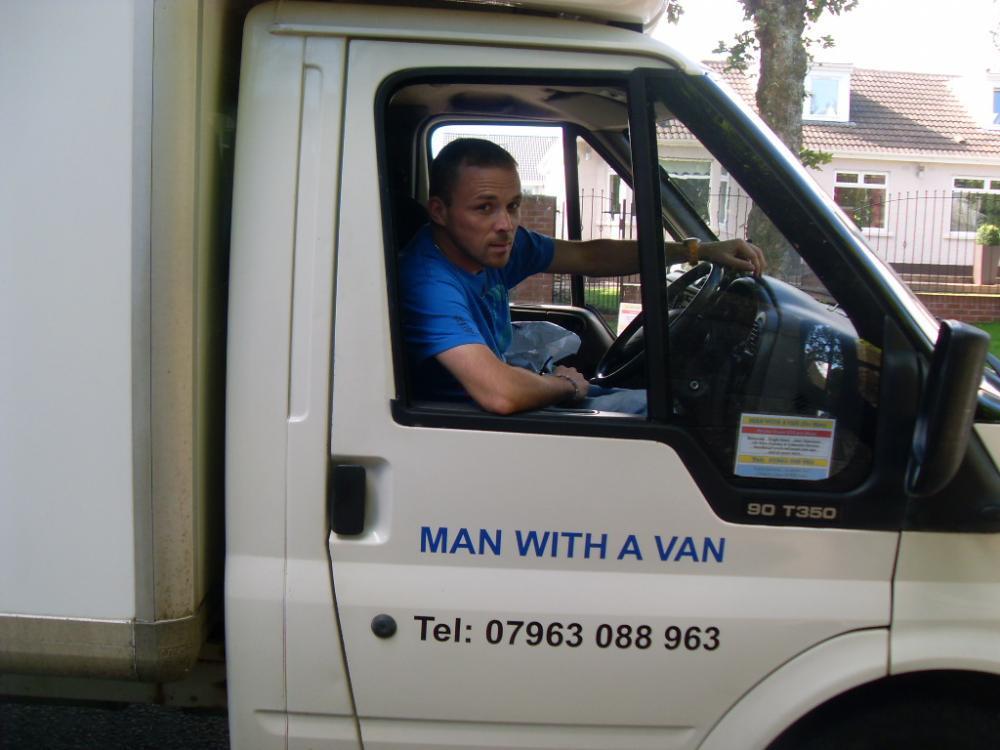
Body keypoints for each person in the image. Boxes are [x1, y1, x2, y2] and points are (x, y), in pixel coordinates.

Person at [399, 138, 764, 415]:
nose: (505, 224)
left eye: (513, 206)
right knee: (674, 416)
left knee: (663, 405)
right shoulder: (428, 283)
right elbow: (500, 393)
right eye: (484, 208)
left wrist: (695, 251)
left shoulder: (488, 245)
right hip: (468, 426)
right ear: (439, 211)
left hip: (495, 410)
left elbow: (589, 255)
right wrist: (566, 385)